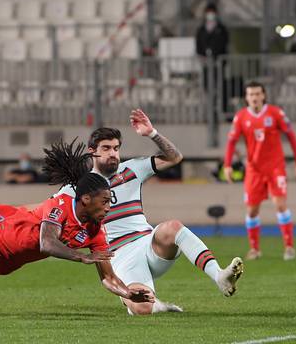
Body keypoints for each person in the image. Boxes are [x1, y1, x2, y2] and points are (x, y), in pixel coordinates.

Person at [0, 142, 154, 306]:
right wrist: (81, 257)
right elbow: (46, 242)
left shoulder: (96, 233)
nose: (109, 207)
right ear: (86, 199)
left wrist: (127, 293)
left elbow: (108, 277)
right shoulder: (61, 205)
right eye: (105, 201)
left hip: (2, 263)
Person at [50, 109, 243, 315]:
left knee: (172, 227)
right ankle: (157, 305)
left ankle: (219, 276)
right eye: (106, 148)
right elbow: (48, 214)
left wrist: (152, 133)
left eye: (116, 148)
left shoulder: (131, 169)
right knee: (142, 308)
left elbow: (175, 157)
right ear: (92, 152)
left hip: (149, 244)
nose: (113, 153)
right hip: (119, 256)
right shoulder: (75, 189)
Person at [224, 81, 296, 261]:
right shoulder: (241, 117)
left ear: (263, 95)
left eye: (257, 94)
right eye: (250, 94)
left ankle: (289, 247)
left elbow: (291, 136)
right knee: (252, 211)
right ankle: (254, 249)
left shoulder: (276, 113)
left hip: (276, 167)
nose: (254, 97)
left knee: (280, 205)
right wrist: (227, 165)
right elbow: (231, 142)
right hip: (254, 170)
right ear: (246, 97)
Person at [196, 3, 233, 118]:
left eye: (212, 12)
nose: (210, 15)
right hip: (207, 65)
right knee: (208, 89)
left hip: (219, 64)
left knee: (221, 87)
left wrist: (218, 57)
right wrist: (203, 56)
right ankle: (210, 113)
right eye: (208, 12)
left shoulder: (221, 29)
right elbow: (198, 45)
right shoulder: (201, 29)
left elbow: (225, 43)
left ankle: (224, 111)